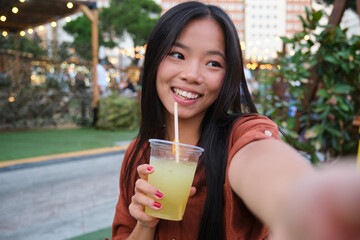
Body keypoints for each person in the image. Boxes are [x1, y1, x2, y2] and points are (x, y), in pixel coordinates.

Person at [111, 2, 360, 240]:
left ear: (227, 77)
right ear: (154, 60)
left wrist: (311, 205)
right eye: (177, 54)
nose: (191, 75)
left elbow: (261, 161)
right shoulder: (139, 154)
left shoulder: (241, 136)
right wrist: (145, 223)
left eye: (213, 63)